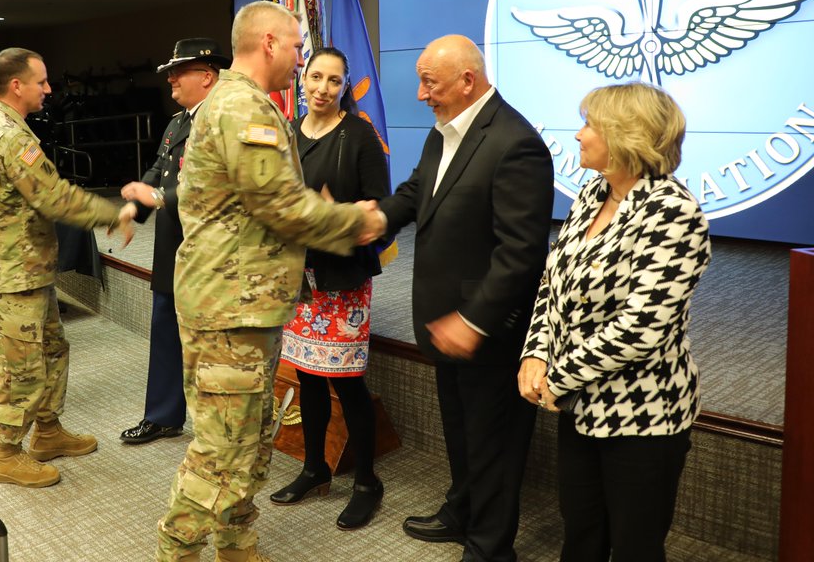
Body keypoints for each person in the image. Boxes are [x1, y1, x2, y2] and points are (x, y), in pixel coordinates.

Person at [155, 1, 385, 562]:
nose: (302, 60)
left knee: (250, 440)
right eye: (299, 49)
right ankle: (177, 551)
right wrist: (362, 220)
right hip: (230, 307)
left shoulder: (244, 104)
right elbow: (280, 206)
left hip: (247, 302)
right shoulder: (243, 109)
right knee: (220, 448)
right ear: (269, 43)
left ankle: (236, 544)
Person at [374, 35, 553, 562]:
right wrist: (380, 217)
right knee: (460, 427)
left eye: (430, 81)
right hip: (444, 319)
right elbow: (417, 192)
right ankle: (463, 510)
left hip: (486, 327)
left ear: (467, 81)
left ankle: (490, 546)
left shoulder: (515, 143)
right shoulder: (444, 133)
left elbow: (521, 253)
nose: (421, 92)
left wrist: (474, 321)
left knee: (493, 440)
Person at [518, 83, 710, 562]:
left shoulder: (675, 212)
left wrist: (555, 380)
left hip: (642, 415)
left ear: (628, 136)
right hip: (579, 405)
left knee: (634, 548)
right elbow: (552, 281)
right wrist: (536, 352)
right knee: (580, 536)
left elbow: (640, 329)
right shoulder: (592, 193)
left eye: (590, 125)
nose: (578, 135)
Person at [0, 47, 137, 489]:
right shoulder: (9, 136)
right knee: (21, 366)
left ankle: (46, 431)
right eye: (41, 82)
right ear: (17, 85)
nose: (48, 89)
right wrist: (112, 213)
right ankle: (5, 453)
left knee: (52, 350)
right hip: (13, 271)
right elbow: (54, 196)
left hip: (23, 266)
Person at [268, 46, 390, 531]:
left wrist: (331, 213)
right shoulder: (286, 132)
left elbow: (378, 209)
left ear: (344, 87)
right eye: (315, 77)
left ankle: (366, 482)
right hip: (300, 279)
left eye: (333, 81)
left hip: (341, 279)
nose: (322, 88)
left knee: (345, 381)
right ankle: (315, 467)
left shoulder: (359, 135)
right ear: (302, 79)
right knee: (308, 376)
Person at [120, 38, 228, 446]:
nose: (170, 80)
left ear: (206, 75)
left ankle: (219, 431)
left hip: (209, 250)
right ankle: (163, 415)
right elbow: (160, 167)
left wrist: (159, 197)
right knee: (165, 330)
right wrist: (136, 206)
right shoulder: (179, 120)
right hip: (172, 244)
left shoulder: (222, 121)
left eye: (177, 72)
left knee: (214, 343)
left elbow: (216, 185)